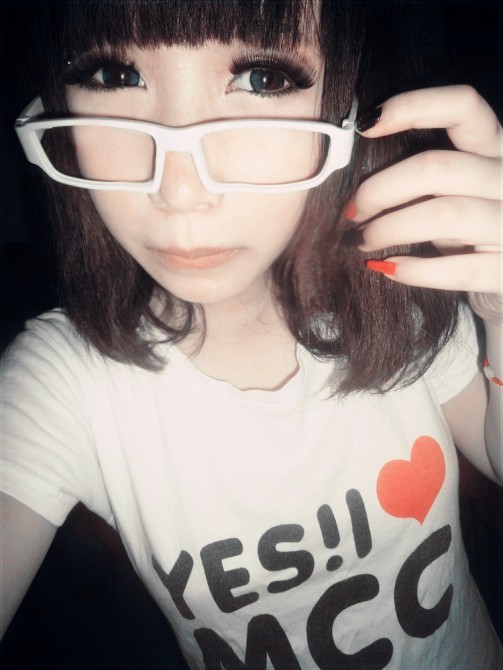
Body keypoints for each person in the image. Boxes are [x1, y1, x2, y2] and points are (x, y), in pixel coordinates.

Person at [1, 1, 502, 668]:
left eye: (263, 79)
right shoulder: (63, 383)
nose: (180, 192)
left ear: (344, 104)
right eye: (115, 76)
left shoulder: (398, 290)